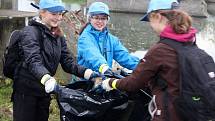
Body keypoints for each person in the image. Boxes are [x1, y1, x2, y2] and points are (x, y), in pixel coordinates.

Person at [102, 0, 197, 121]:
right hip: (190, 112)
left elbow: (133, 83)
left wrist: (111, 83)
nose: (151, 26)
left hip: (168, 114)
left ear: (157, 17)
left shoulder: (161, 49)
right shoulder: (190, 43)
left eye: (150, 20)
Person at [12, 0, 100, 121]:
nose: (58, 18)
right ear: (42, 13)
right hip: (26, 91)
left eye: (60, 14)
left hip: (44, 90)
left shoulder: (57, 35)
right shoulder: (29, 32)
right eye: (54, 14)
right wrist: (47, 78)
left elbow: (67, 62)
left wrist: (88, 73)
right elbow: (33, 60)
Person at [77, 2, 139, 75]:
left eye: (103, 18)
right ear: (90, 19)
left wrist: (143, 67)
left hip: (104, 77)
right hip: (85, 80)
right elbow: (92, 54)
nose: (100, 21)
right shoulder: (84, 38)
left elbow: (124, 57)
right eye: (96, 18)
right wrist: (103, 68)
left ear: (107, 20)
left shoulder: (112, 40)